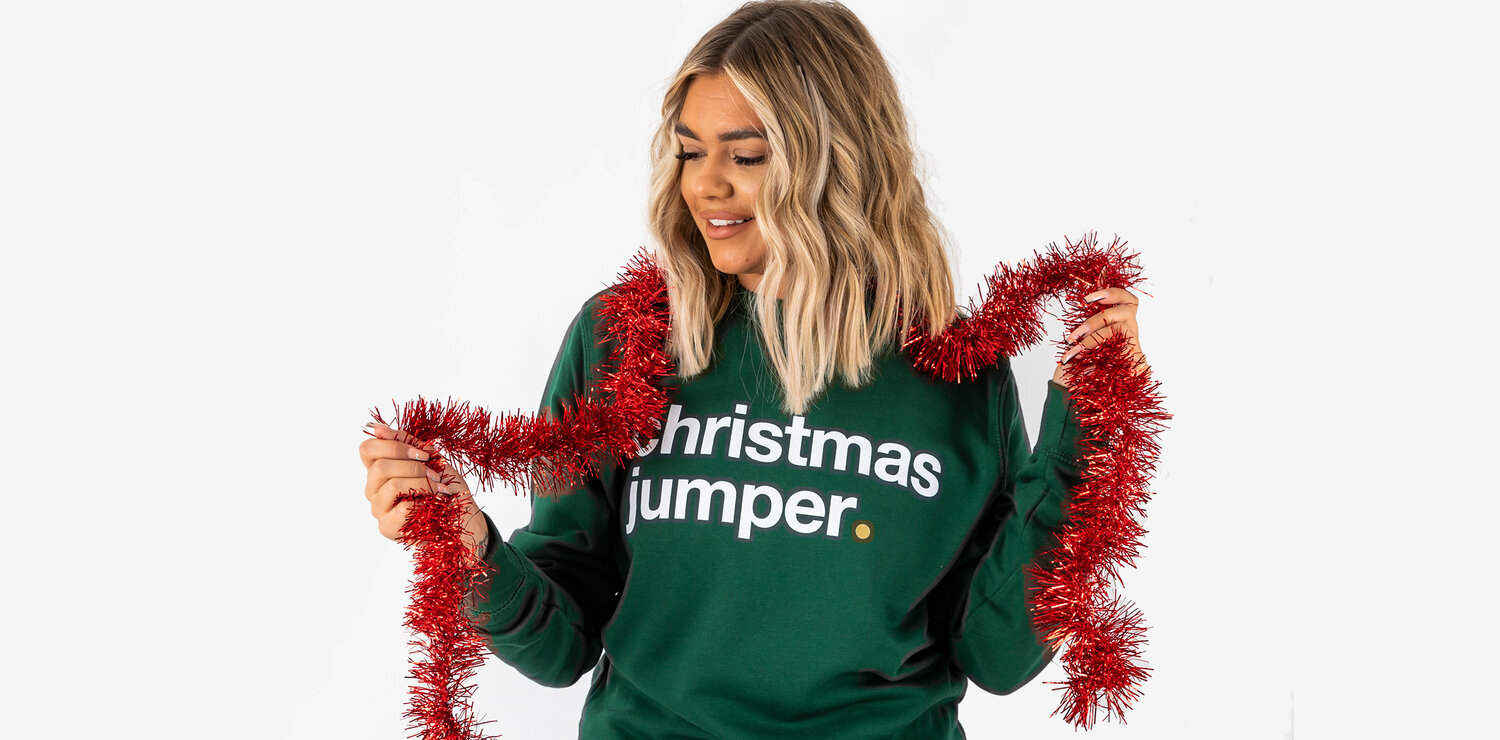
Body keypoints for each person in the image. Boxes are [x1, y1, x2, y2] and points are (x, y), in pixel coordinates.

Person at [358, 1, 1149, 737]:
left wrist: (1087, 436)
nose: (705, 184)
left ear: (838, 163)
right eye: (691, 151)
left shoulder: (955, 373)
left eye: (746, 154)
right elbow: (562, 644)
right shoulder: (621, 341)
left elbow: (998, 653)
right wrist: (475, 556)